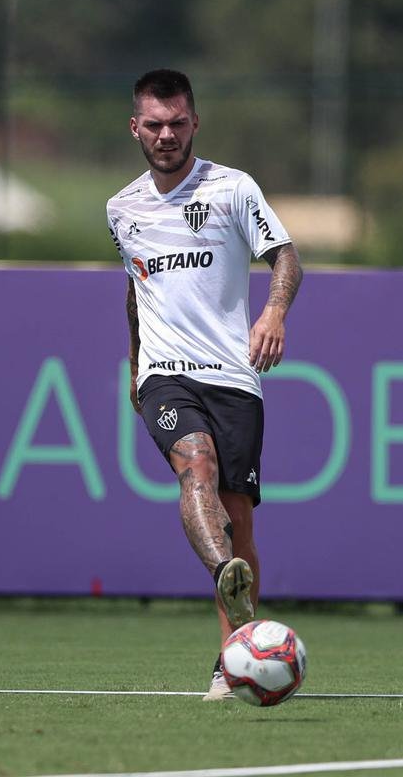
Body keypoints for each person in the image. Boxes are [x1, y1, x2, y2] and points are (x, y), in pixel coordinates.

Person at [106, 69, 303, 701]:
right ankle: (225, 574)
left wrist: (272, 312)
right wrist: (137, 366)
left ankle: (232, 656)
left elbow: (286, 257)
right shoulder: (121, 208)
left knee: (237, 516)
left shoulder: (233, 189)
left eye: (178, 123)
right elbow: (136, 294)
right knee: (197, 467)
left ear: (196, 122)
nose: (167, 135)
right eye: (155, 124)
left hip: (234, 376)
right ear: (135, 126)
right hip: (164, 375)